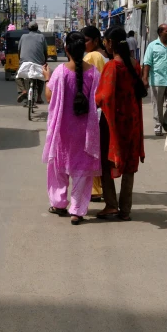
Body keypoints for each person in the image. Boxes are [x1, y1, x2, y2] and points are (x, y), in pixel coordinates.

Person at [42, 31, 101, 225]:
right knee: (81, 170)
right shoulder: (93, 72)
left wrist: (46, 79)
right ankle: (77, 210)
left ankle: (59, 203)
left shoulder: (59, 71)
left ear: (66, 49)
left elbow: (49, 97)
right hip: (85, 132)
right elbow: (98, 100)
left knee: (59, 167)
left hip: (63, 130)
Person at [96, 25, 145, 221]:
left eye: (106, 42)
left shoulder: (112, 66)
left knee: (108, 161)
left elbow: (104, 97)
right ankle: (125, 209)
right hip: (132, 119)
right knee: (129, 163)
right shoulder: (134, 64)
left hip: (112, 121)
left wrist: (95, 98)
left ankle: (111, 205)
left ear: (110, 43)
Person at [82, 25, 107, 202]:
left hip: (93, 108)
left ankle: (94, 188)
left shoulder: (93, 56)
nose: (84, 44)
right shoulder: (103, 56)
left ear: (96, 40)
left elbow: (89, 84)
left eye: (86, 41)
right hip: (102, 108)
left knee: (91, 148)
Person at [142, 24, 167, 136]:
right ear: (160, 33)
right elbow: (147, 63)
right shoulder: (152, 46)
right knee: (157, 105)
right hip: (157, 80)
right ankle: (158, 125)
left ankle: (166, 122)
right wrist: (145, 78)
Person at [17, 21, 48, 105]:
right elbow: (45, 51)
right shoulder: (41, 36)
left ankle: (23, 90)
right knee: (41, 78)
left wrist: (20, 61)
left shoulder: (23, 36)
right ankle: (39, 97)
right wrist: (45, 62)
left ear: (28, 28)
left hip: (24, 62)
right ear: (37, 28)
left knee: (18, 76)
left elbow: (19, 51)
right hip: (39, 63)